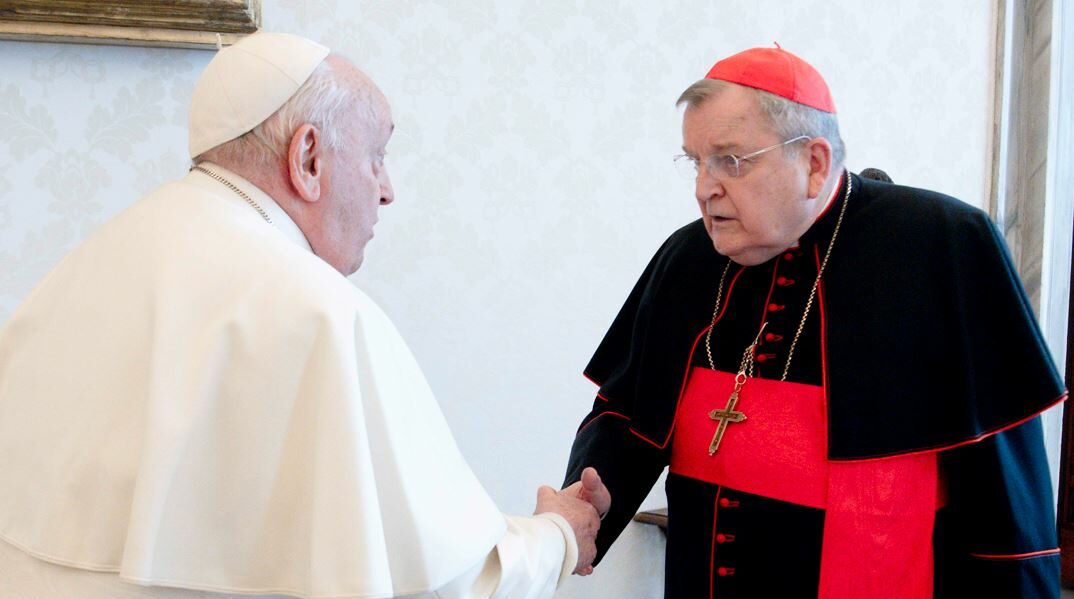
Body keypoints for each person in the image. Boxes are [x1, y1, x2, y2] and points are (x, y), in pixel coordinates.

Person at [0, 32, 609, 599]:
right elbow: (447, 583)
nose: (387, 189)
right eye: (376, 157)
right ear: (309, 158)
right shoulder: (320, 314)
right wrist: (557, 537)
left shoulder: (86, 265)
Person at [563, 46, 1064, 598]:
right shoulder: (687, 259)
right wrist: (585, 509)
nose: (704, 187)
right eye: (696, 161)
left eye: (731, 161)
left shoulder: (942, 244)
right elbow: (627, 415)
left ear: (815, 163)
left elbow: (1005, 492)